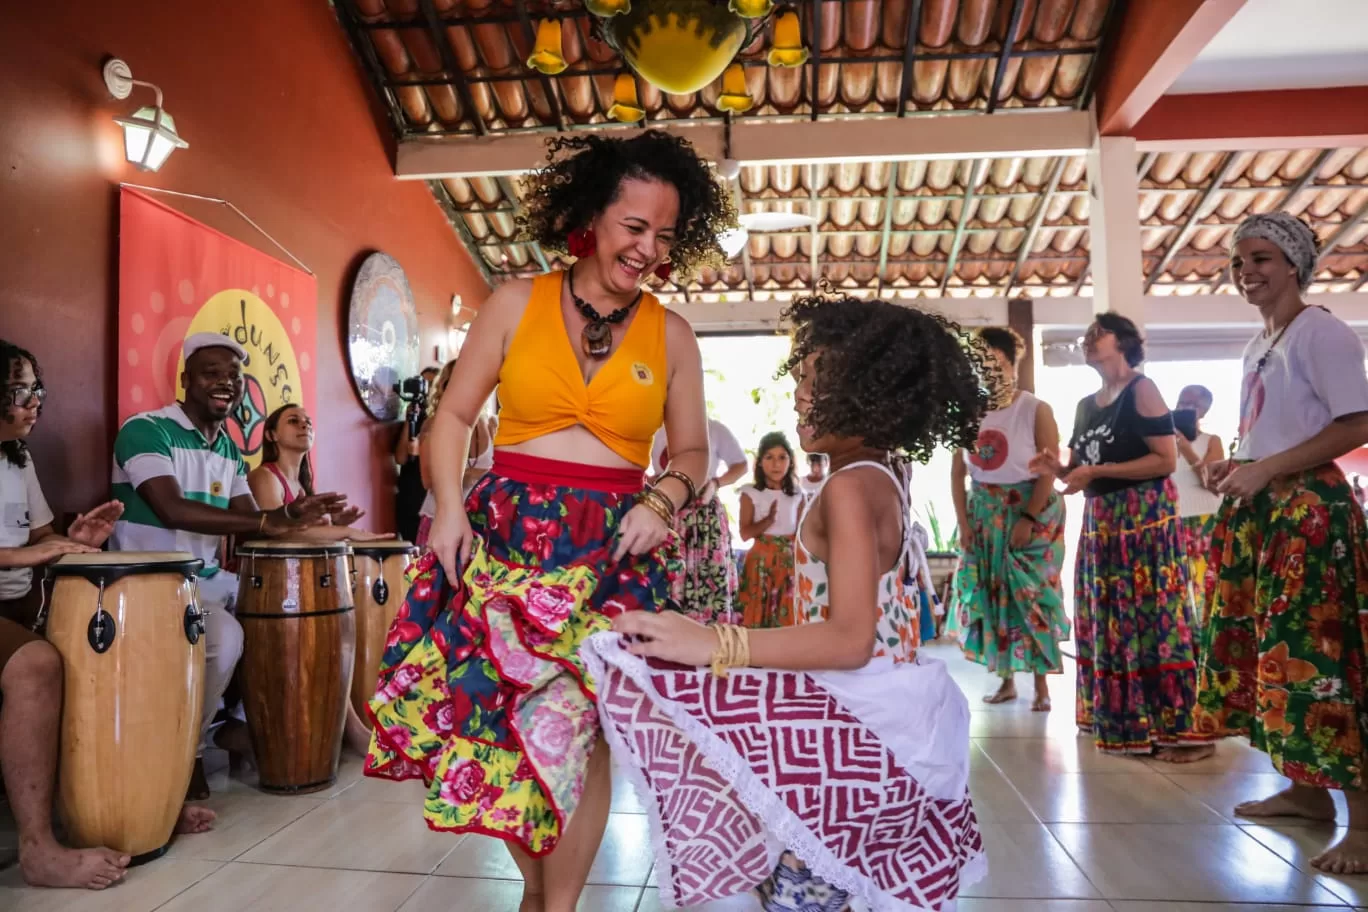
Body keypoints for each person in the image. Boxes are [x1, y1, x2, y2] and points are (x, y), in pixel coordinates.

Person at [363, 130, 729, 912]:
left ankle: (555, 905)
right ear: (593, 217)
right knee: (503, 721)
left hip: (612, 544)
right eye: (634, 228)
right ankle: (540, 896)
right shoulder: (514, 301)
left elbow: (693, 449)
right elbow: (454, 416)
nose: (647, 249)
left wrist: (663, 500)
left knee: (580, 728)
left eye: (664, 236)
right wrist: (451, 509)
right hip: (506, 534)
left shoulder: (671, 334)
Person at [585, 294, 988, 910]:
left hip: (859, 725)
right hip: (892, 714)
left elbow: (850, 639)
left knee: (809, 884)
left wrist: (715, 642)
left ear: (871, 393)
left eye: (816, 382)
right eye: (799, 380)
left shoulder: (850, 487)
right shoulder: (886, 473)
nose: (799, 397)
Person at [1194, 212, 1368, 874]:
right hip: (1268, 511)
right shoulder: (1261, 342)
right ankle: (1306, 793)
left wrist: (1270, 468)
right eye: (1239, 263)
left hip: (1309, 516)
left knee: (1322, 659)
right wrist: (1238, 465)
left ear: (1294, 263)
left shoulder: (1321, 332)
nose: (1248, 273)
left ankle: (1363, 822)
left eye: (1261, 258)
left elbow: (1357, 420)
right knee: (1277, 656)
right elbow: (1271, 433)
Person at [111, 333, 352, 801]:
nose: (225, 383)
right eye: (212, 373)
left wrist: (306, 519)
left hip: (201, 581)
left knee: (285, 613)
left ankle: (242, 730)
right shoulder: (145, 429)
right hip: (147, 581)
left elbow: (250, 527)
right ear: (186, 380)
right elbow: (172, 510)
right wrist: (272, 518)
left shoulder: (226, 449)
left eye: (234, 377)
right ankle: (192, 751)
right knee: (226, 640)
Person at [1029, 313, 1210, 760]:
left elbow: (1165, 461)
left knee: (1154, 619)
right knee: (1109, 620)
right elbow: (1083, 472)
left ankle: (1184, 732)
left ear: (1125, 343)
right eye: (1086, 334)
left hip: (1144, 518)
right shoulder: (1087, 404)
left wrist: (1099, 471)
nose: (1088, 339)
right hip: (1104, 519)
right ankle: (1126, 722)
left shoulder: (1141, 389)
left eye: (1099, 333)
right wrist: (1059, 470)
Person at [0, 340, 133, 889]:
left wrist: (71, 540)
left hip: (18, 602)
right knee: (35, 664)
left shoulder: (17, 456)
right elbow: (25, 551)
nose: (35, 402)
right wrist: (26, 555)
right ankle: (38, 848)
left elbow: (38, 538)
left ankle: (129, 806)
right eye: (19, 390)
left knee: (107, 642)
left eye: (37, 389)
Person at [247, 402, 392, 756]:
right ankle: (352, 730)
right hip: (266, 587)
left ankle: (345, 726)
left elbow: (306, 532)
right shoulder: (265, 476)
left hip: (298, 585)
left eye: (308, 421)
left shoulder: (303, 485)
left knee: (334, 641)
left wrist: (336, 523)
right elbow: (277, 535)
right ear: (271, 435)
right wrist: (346, 532)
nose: (303, 425)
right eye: (293, 421)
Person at [950, 326, 1068, 711]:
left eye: (995, 363)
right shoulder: (968, 411)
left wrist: (1028, 518)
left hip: (1028, 511)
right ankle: (1005, 681)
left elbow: (1048, 472)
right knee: (993, 594)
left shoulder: (1035, 409)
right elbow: (958, 472)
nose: (988, 371)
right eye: (980, 364)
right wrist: (965, 525)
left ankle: (1042, 686)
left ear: (1011, 364)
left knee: (1032, 595)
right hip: (984, 514)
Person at [650, 416, 748, 622]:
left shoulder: (714, 428)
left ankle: (706, 642)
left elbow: (741, 465)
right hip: (667, 511)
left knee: (707, 578)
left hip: (704, 518)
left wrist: (716, 483)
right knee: (665, 576)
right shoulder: (654, 430)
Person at [1170, 384, 1224, 627]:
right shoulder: (1160, 442)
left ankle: (1205, 644)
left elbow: (1212, 483)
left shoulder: (1212, 441)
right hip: (1172, 520)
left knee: (1204, 585)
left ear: (1203, 411)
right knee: (1175, 585)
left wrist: (1187, 450)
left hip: (1205, 518)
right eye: (1181, 403)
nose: (1183, 408)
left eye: (1191, 405)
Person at [736, 431, 802, 628]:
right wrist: (768, 520)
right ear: (759, 462)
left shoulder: (798, 494)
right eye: (769, 457)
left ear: (790, 461)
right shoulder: (751, 493)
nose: (776, 464)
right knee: (756, 615)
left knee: (786, 615)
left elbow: (801, 535)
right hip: (760, 563)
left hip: (789, 563)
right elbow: (745, 534)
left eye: (782, 457)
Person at [394, 365, 441, 543]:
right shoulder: (416, 416)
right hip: (409, 493)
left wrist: (422, 452)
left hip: (430, 494)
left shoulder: (445, 419)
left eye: (431, 384)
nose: (426, 390)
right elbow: (400, 457)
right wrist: (409, 421)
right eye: (423, 383)